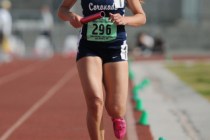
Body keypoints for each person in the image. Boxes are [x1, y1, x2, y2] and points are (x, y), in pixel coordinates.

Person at [57, 0, 146, 139]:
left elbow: (141, 16)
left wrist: (124, 19)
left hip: (116, 47)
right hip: (89, 47)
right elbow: (62, 10)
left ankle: (117, 117)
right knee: (95, 102)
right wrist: (72, 17)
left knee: (116, 108)